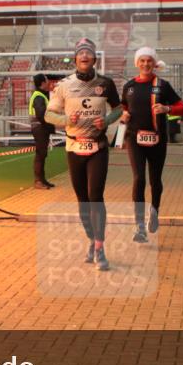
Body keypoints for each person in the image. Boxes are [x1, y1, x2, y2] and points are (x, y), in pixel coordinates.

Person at [44, 38, 122, 271]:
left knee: (95, 196)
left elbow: (118, 109)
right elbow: (49, 116)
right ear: (76, 58)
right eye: (81, 54)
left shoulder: (106, 84)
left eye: (89, 53)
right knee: (82, 200)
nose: (85, 57)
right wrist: (67, 120)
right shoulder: (64, 85)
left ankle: (100, 248)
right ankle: (91, 239)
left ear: (94, 58)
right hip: (74, 147)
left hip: (97, 147)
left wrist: (106, 120)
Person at [119, 46, 183, 242]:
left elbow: (182, 108)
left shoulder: (162, 85)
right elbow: (123, 106)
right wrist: (123, 114)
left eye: (149, 60)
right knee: (139, 178)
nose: (145, 64)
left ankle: (154, 211)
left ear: (154, 63)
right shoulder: (129, 86)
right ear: (137, 63)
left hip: (157, 139)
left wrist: (167, 108)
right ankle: (139, 226)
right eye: (142, 61)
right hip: (135, 138)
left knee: (154, 180)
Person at [29, 73, 55, 189]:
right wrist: (49, 125)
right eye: (46, 80)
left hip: (40, 127)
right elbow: (41, 114)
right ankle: (38, 181)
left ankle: (42, 180)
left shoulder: (40, 95)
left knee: (42, 154)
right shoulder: (39, 96)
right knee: (40, 154)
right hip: (40, 127)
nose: (48, 82)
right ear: (42, 83)